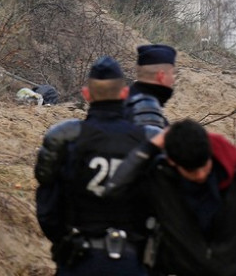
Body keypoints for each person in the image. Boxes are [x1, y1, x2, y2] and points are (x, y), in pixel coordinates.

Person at [34, 57, 157, 275]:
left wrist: (63, 241)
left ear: (87, 94)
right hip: (133, 261)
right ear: (125, 94)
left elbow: (48, 205)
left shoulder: (67, 139)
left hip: (80, 259)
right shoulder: (149, 142)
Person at [105, 119, 236, 276]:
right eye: (191, 171)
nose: (200, 175)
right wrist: (151, 147)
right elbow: (114, 189)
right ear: (172, 162)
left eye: (204, 166)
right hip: (182, 270)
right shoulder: (161, 178)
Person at [125, 43, 175, 128]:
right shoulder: (149, 116)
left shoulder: (120, 99)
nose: (173, 80)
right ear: (161, 76)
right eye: (173, 73)